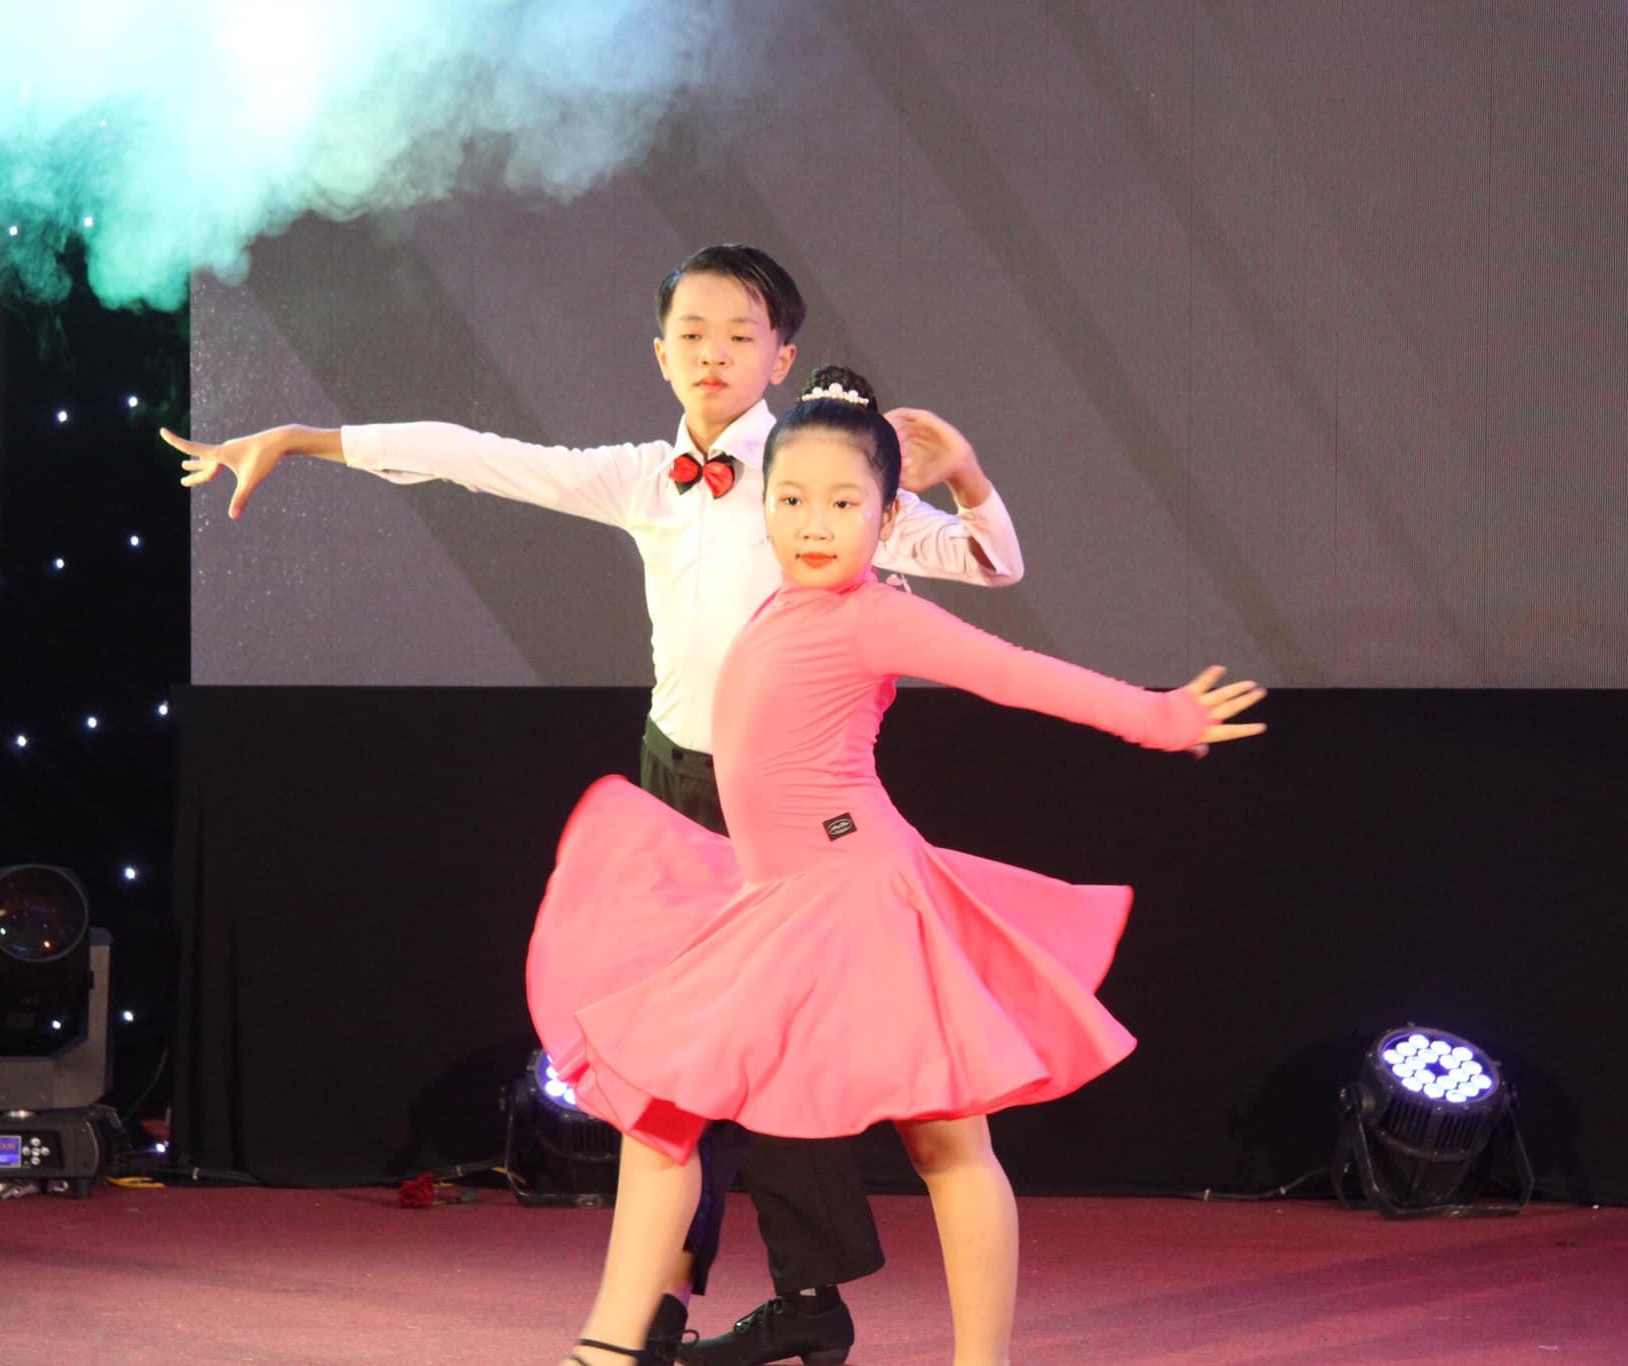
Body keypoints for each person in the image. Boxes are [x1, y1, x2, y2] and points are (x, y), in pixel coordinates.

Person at [162, 248, 1027, 1364]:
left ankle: (792, 1299)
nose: (713, 355)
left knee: (785, 1064)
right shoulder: (643, 477)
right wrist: (305, 439)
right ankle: (667, 1310)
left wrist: (965, 474)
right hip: (675, 798)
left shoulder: (817, 475)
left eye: (740, 334)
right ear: (659, 353)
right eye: (692, 334)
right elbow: (478, 458)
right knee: (670, 1078)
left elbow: (989, 563)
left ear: (782, 356)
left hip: (791, 815)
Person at [533, 366, 1266, 1366]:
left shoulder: (875, 613)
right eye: (792, 499)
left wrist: (1158, 716)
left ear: (884, 520)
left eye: (844, 505)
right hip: (780, 897)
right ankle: (608, 1350)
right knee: (660, 1105)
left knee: (945, 1140)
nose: (814, 523)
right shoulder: (783, 603)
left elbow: (1015, 675)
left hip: (858, 894)